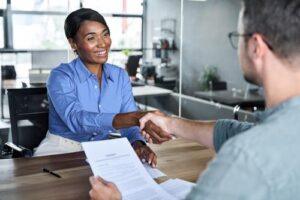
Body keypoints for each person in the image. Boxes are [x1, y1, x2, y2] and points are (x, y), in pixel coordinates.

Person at [88, 0, 300, 199]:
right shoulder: (283, 128)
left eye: (239, 36)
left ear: (256, 47)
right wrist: (171, 123)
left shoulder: (243, 160)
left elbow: (244, 145)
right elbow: (238, 132)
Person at [34, 8, 158, 167]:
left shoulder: (120, 76)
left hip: (101, 151)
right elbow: (76, 120)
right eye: (91, 38)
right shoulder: (60, 76)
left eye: (105, 34)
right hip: (60, 150)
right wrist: (131, 118)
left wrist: (138, 145)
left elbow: (129, 126)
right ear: (73, 43)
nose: (102, 43)